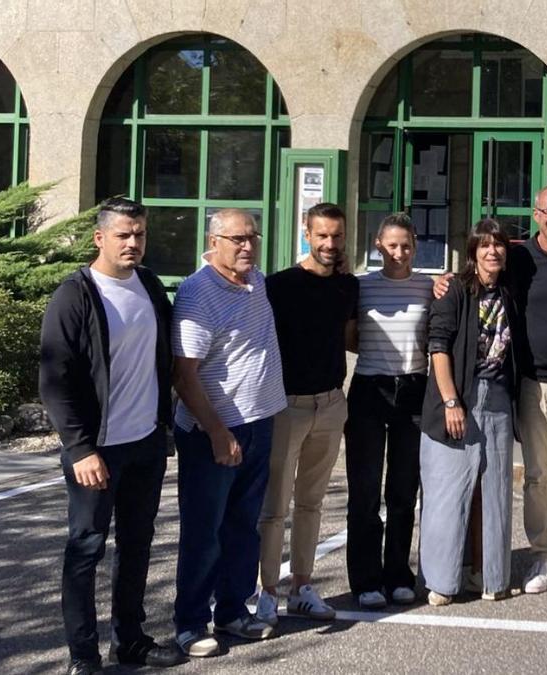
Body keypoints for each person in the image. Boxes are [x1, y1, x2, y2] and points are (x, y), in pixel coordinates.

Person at [434, 184, 547, 595]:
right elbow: (481, 277)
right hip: (530, 384)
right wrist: (443, 281)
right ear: (535, 214)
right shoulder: (519, 258)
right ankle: (543, 555)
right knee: (537, 476)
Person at [40, 198, 182, 675]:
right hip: (97, 450)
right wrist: (80, 448)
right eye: (123, 234)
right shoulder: (75, 294)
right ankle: (83, 655)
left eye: (139, 234)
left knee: (138, 545)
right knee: (85, 549)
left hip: (145, 442)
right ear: (99, 237)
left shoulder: (148, 285)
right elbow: (55, 379)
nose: (133, 243)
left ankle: (131, 640)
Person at [170, 209, 286, 657]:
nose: (247, 246)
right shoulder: (198, 294)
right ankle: (190, 623)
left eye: (252, 237)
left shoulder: (255, 281)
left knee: (243, 525)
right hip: (213, 431)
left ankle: (233, 611)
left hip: (260, 421)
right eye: (236, 239)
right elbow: (185, 375)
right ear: (212, 241)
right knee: (205, 530)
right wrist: (217, 431)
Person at [255, 203, 358, 626]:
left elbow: (352, 337)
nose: (329, 244)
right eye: (322, 235)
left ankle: (301, 587)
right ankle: (265, 592)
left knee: (312, 503)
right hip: (287, 406)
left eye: (336, 236)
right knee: (274, 506)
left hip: (331, 403)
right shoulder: (278, 286)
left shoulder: (347, 286)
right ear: (306, 233)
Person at [419, 219, 521, 606]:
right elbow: (438, 347)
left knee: (496, 492)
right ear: (473, 252)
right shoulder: (455, 292)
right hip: (456, 397)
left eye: (498, 246)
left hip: (497, 400)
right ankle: (441, 581)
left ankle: (493, 577)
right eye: (484, 246)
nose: (492, 252)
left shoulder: (510, 292)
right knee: (447, 492)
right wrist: (450, 401)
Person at [345, 212, 434, 609]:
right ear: (378, 245)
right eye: (391, 245)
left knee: (403, 489)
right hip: (369, 388)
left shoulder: (429, 287)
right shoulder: (361, 287)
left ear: (415, 246)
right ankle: (365, 580)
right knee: (364, 491)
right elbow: (349, 337)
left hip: (414, 389)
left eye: (406, 245)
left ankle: (399, 573)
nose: (399, 252)